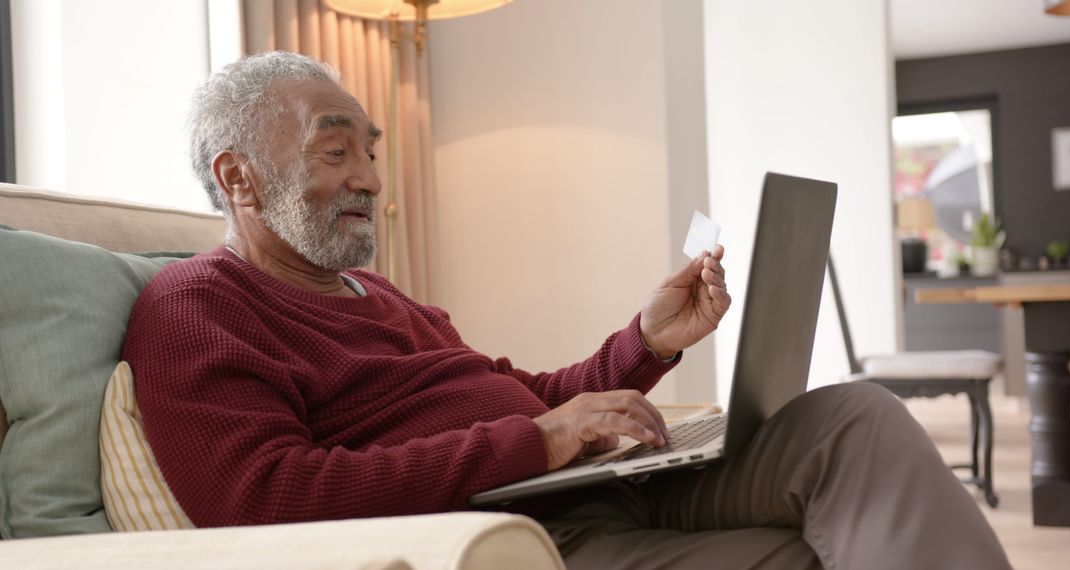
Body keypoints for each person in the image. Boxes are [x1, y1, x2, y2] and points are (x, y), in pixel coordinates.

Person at [123, 51, 1011, 569]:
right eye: (336, 150)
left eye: (371, 150)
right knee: (806, 555)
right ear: (238, 176)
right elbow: (263, 500)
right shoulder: (197, 306)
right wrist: (540, 444)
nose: (369, 177)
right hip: (522, 528)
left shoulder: (375, 294)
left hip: (591, 481)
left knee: (854, 416)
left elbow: (526, 392)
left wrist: (642, 347)